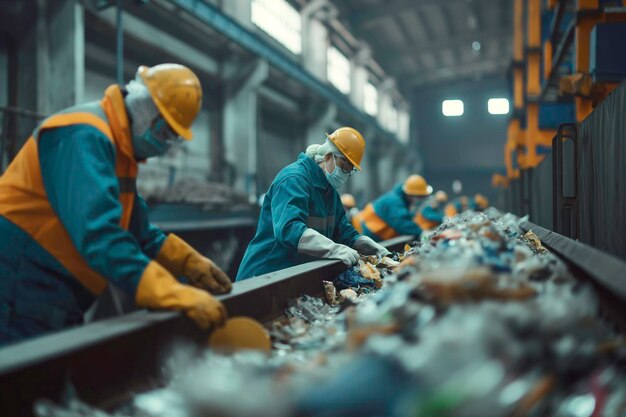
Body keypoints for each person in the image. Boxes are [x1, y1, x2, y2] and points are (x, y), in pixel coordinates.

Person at [0, 64, 231, 345]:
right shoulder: (83, 135)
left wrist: (188, 262)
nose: (165, 146)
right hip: (20, 278)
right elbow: (99, 234)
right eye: (164, 132)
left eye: (173, 137)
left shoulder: (121, 151)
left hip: (53, 286)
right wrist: (169, 291)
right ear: (143, 109)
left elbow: (138, 230)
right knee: (25, 381)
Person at [236, 127, 389, 281]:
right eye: (345, 166)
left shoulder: (330, 193)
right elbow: (289, 229)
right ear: (329, 156)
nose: (346, 173)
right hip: (264, 275)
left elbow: (343, 232)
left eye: (351, 169)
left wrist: (369, 246)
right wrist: (334, 249)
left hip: (291, 276)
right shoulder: (294, 179)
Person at [353, 174, 432, 241]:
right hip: (367, 232)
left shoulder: (398, 200)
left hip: (373, 233)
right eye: (419, 197)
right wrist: (420, 233)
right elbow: (402, 223)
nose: (419, 200)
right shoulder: (394, 201)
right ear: (409, 194)